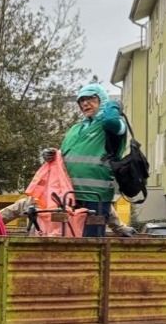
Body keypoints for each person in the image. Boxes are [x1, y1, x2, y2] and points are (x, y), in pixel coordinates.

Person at [42, 82, 126, 237]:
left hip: (96, 196)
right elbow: (65, 155)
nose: (85, 103)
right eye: (81, 100)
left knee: (91, 242)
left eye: (91, 99)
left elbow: (111, 121)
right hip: (69, 195)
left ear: (102, 99)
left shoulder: (112, 125)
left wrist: (113, 106)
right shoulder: (76, 129)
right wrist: (52, 155)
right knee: (68, 238)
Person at [0, 195, 136, 236]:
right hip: (43, 252)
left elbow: (106, 210)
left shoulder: (82, 199)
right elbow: (8, 213)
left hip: (41, 250)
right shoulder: (34, 201)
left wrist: (121, 228)